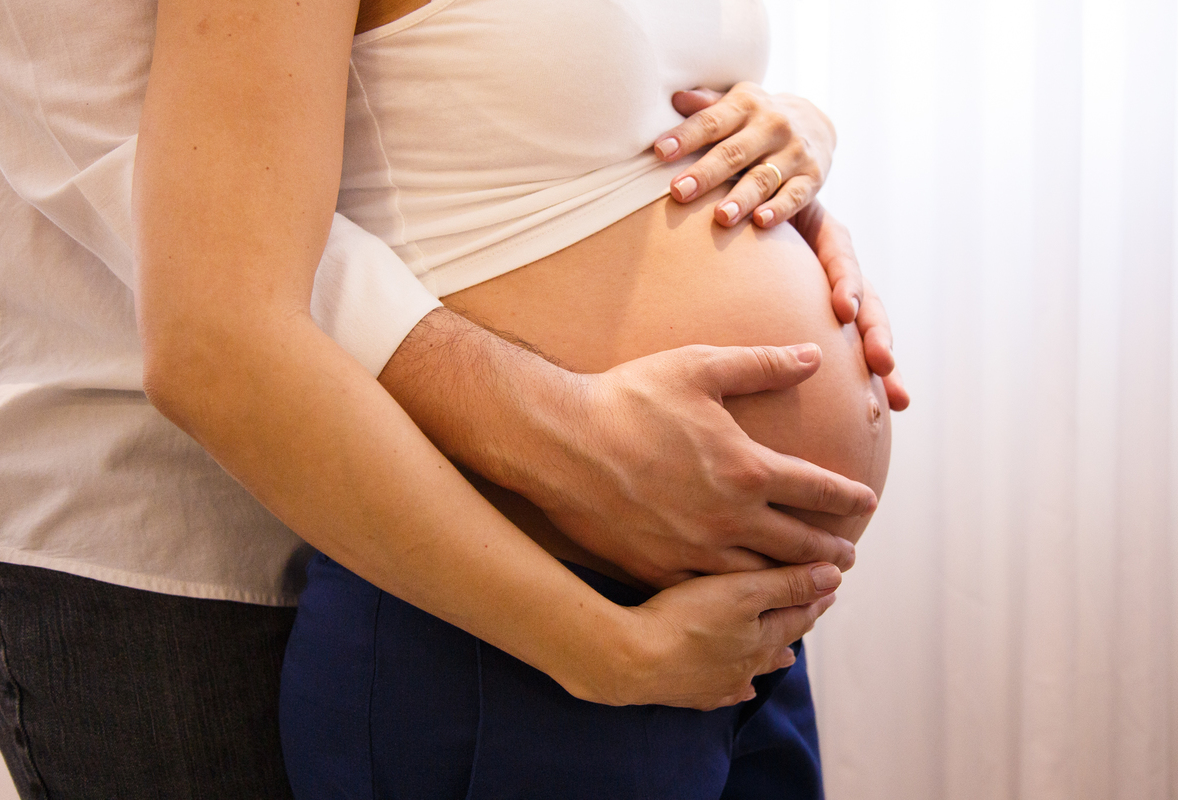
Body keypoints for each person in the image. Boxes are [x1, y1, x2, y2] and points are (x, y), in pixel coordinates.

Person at [0, 1, 903, 799]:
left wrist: (791, 139)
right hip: (498, 609)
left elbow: (559, 118)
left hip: (735, 621)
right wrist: (611, 648)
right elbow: (206, 306)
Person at [276, 1, 898, 798]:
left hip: (748, 640)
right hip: (512, 629)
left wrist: (797, 131)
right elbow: (223, 279)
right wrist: (615, 650)